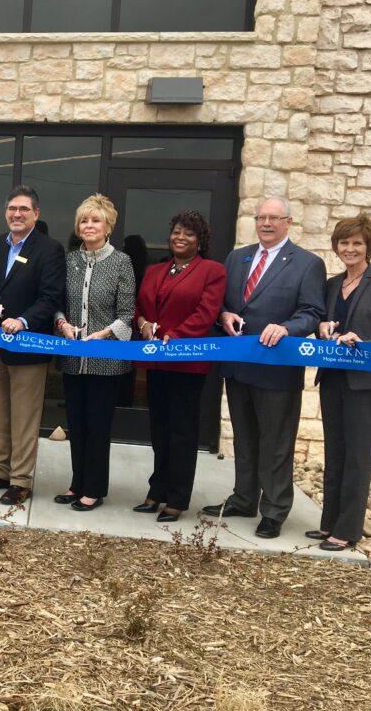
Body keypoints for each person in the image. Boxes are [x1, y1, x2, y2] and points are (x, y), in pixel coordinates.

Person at [202, 197, 326, 538]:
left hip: (277, 369)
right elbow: (224, 303)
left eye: (274, 218)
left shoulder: (306, 263)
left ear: (288, 223)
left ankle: (274, 510)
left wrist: (287, 327)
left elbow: (312, 311)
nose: (266, 223)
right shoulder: (237, 257)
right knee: (244, 437)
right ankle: (244, 499)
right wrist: (224, 314)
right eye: (261, 217)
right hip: (239, 365)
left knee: (276, 442)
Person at [308, 214, 371, 551]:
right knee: (335, 452)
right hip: (333, 376)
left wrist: (364, 342)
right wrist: (322, 329)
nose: (350, 248)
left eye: (357, 243)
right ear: (336, 247)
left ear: (368, 247)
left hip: (367, 382)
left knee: (358, 456)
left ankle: (348, 530)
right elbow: (324, 324)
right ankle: (329, 524)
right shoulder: (332, 284)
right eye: (344, 242)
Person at [0, 185, 66, 506]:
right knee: (0, 413)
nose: (17, 214)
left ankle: (21, 480)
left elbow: (51, 297)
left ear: (36, 214)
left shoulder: (49, 249)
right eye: (12, 208)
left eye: (24, 209)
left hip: (28, 346)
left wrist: (23, 320)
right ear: (5, 212)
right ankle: (1, 470)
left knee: (24, 417)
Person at [133, 212, 225, 522]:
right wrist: (143, 322)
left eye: (188, 233)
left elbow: (206, 312)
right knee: (159, 429)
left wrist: (175, 335)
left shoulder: (212, 271)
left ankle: (177, 497)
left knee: (182, 432)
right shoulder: (155, 269)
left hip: (187, 362)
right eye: (175, 232)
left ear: (200, 240)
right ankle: (156, 490)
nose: (179, 237)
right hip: (156, 361)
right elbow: (140, 305)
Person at [52, 194, 135, 512]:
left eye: (95, 220)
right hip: (73, 358)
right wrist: (62, 323)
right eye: (84, 220)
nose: (89, 225)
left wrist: (103, 334)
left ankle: (95, 488)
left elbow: (127, 313)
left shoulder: (121, 262)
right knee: (77, 423)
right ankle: (78, 483)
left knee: (98, 426)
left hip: (106, 360)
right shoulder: (70, 260)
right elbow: (57, 302)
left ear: (108, 226)